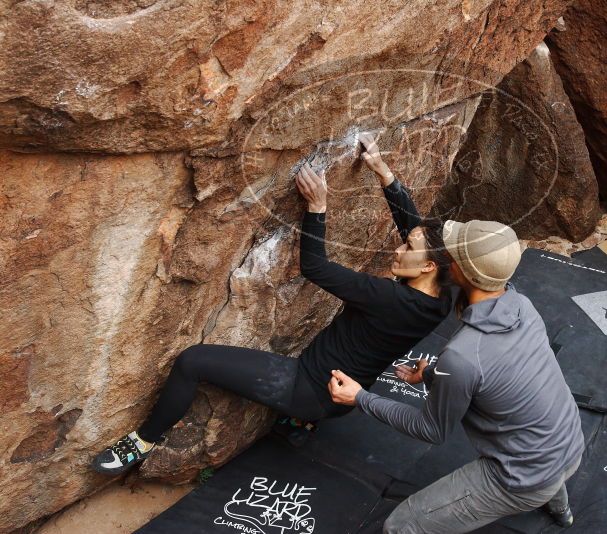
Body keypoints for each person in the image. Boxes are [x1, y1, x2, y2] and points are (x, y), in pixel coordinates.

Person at [91, 133, 453, 475]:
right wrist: (383, 172)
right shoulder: (441, 298)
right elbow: (416, 232)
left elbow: (315, 267)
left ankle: (143, 442)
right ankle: (299, 424)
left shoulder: (388, 297)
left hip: (307, 388)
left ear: (427, 267)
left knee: (192, 361)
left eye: (407, 248)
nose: (398, 248)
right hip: (342, 396)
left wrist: (317, 207)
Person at [329, 220, 585, 533]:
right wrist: (432, 374)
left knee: (399, 525)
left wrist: (360, 397)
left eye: (453, 255)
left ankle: (544, 498)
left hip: (522, 477)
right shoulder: (522, 306)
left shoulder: (462, 356)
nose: (447, 257)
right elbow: (493, 369)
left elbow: (430, 429)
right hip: (569, 442)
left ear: (463, 272)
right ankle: (563, 514)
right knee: (550, 474)